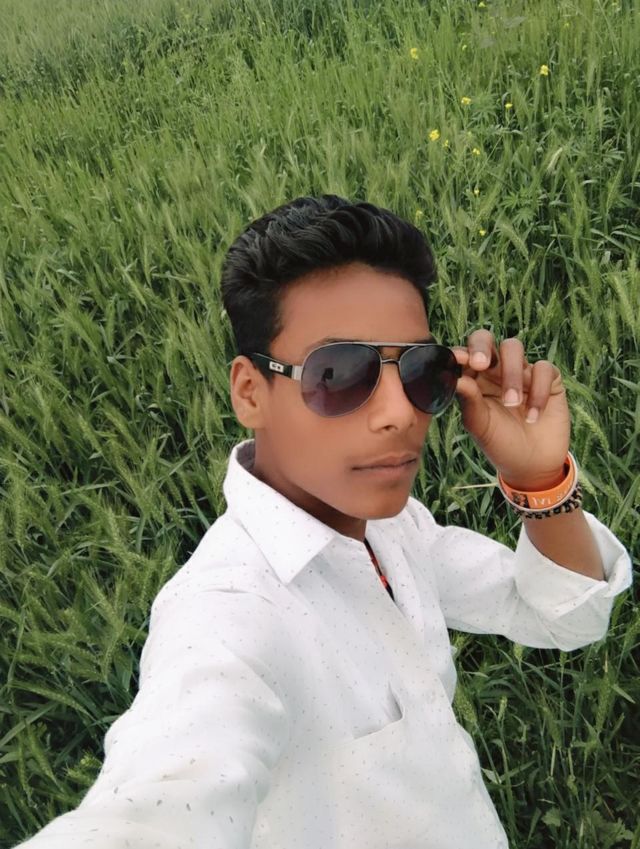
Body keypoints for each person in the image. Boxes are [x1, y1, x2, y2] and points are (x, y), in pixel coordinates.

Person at [15, 195, 632, 848]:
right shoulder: (226, 612)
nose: (399, 413)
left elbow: (564, 616)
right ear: (250, 392)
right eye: (338, 374)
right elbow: (158, 807)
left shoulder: (395, 529)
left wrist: (540, 478)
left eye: (422, 370)